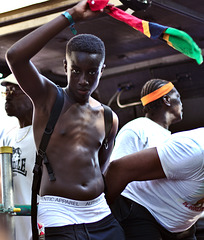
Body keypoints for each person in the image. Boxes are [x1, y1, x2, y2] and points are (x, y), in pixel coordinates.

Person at [5, 0, 124, 239]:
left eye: (92, 72)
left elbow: (100, 166)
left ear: (102, 70)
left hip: (100, 211)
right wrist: (70, 16)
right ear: (65, 66)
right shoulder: (48, 97)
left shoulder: (109, 117)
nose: (83, 80)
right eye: (76, 70)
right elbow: (15, 56)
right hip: (59, 212)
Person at [109, 79, 184, 239]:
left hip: (165, 218)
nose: (181, 102)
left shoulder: (168, 136)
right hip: (140, 214)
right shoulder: (138, 127)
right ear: (166, 99)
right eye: (177, 96)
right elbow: (116, 170)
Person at [105, 127, 204, 240]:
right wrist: (97, 218)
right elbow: (119, 169)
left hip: (181, 226)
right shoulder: (194, 150)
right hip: (142, 208)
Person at [1, 74, 35, 240]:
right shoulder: (8, 137)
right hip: (16, 230)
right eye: (6, 91)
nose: (8, 96)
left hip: (41, 228)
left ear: (32, 95)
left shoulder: (44, 135)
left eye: (14, 91)